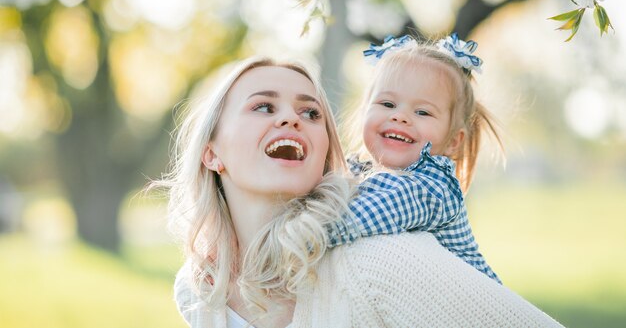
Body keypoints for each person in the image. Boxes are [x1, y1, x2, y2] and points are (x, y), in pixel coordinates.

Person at [162, 56, 564, 328]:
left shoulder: (378, 261)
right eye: (264, 107)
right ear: (211, 152)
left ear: (322, 154)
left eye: (311, 113)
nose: (291, 118)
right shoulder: (200, 289)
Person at [327, 33, 501, 282]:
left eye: (422, 112)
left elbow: (355, 219)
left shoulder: (433, 186)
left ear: (453, 141)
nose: (400, 116)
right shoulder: (358, 170)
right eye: (387, 104)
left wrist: (295, 235)